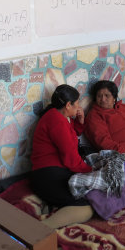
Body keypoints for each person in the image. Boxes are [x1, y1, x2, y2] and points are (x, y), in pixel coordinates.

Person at [30, 84, 94, 228]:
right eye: (76, 104)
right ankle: (42, 228)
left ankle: (52, 206)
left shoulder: (62, 116)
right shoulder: (56, 120)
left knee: (86, 193)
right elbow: (71, 159)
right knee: (87, 206)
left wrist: (80, 121)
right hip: (47, 176)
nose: (79, 107)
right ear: (68, 105)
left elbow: (70, 137)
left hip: (56, 171)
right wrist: (91, 171)